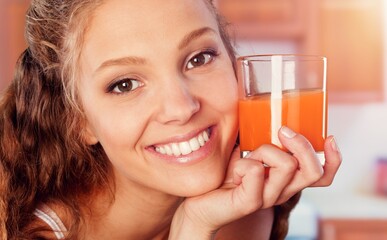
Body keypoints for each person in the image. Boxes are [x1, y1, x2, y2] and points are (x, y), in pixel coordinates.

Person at [0, 0, 341, 239]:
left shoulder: (242, 212)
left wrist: (195, 225)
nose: (181, 108)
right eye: (125, 84)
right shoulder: (18, 223)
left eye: (199, 58)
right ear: (79, 120)